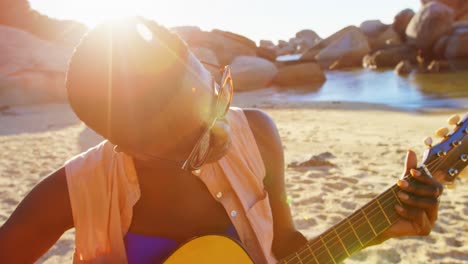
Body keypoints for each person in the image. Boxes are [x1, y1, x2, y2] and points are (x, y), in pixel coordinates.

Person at [0, 17, 443, 263]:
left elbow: (285, 246)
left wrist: (372, 230)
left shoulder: (258, 135)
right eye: (193, 138)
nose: (220, 127)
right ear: (127, 145)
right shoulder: (73, 192)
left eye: (217, 94)